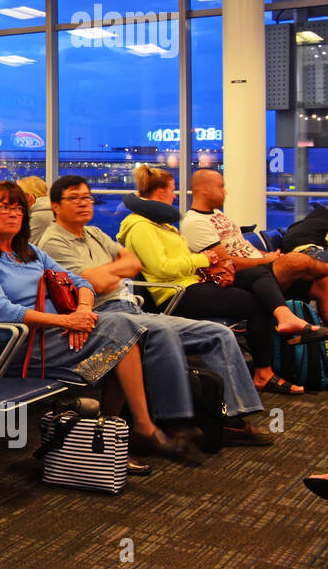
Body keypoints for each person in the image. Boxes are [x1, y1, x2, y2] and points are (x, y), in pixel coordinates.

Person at [0, 181, 195, 465]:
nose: (13, 213)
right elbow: (1, 311)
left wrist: (83, 310)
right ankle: (134, 429)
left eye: (18, 208)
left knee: (125, 332)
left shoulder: (30, 253)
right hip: (18, 344)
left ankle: (112, 435)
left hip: (55, 333)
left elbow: (81, 281)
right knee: (122, 333)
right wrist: (67, 320)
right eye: (4, 207)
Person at [38, 175, 272, 445]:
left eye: (86, 197)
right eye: (74, 198)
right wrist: (111, 273)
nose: (83, 203)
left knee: (218, 333)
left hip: (131, 309)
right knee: (162, 330)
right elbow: (99, 284)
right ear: (55, 206)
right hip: (103, 317)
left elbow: (133, 264)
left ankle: (233, 417)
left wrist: (106, 273)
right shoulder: (54, 242)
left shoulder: (94, 233)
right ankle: (175, 422)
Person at [118, 165, 327, 396]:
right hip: (178, 294)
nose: (175, 195)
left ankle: (285, 318)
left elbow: (180, 261)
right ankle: (263, 372)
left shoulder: (163, 226)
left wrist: (204, 263)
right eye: (172, 190)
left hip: (194, 283)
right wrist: (203, 259)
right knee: (258, 302)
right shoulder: (140, 228)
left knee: (259, 274)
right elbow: (163, 268)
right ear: (159, 194)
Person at [182, 169, 328, 317]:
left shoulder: (218, 215)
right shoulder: (195, 222)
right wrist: (265, 260)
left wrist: (269, 255)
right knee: (296, 260)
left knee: (324, 284)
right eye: (220, 186)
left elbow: (244, 247)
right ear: (206, 189)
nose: (225, 192)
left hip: (261, 268)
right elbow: (225, 262)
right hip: (243, 277)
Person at [17, 176, 53, 240]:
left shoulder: (37, 217)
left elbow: (26, 247)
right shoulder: (50, 210)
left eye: (19, 196)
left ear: (28, 197)